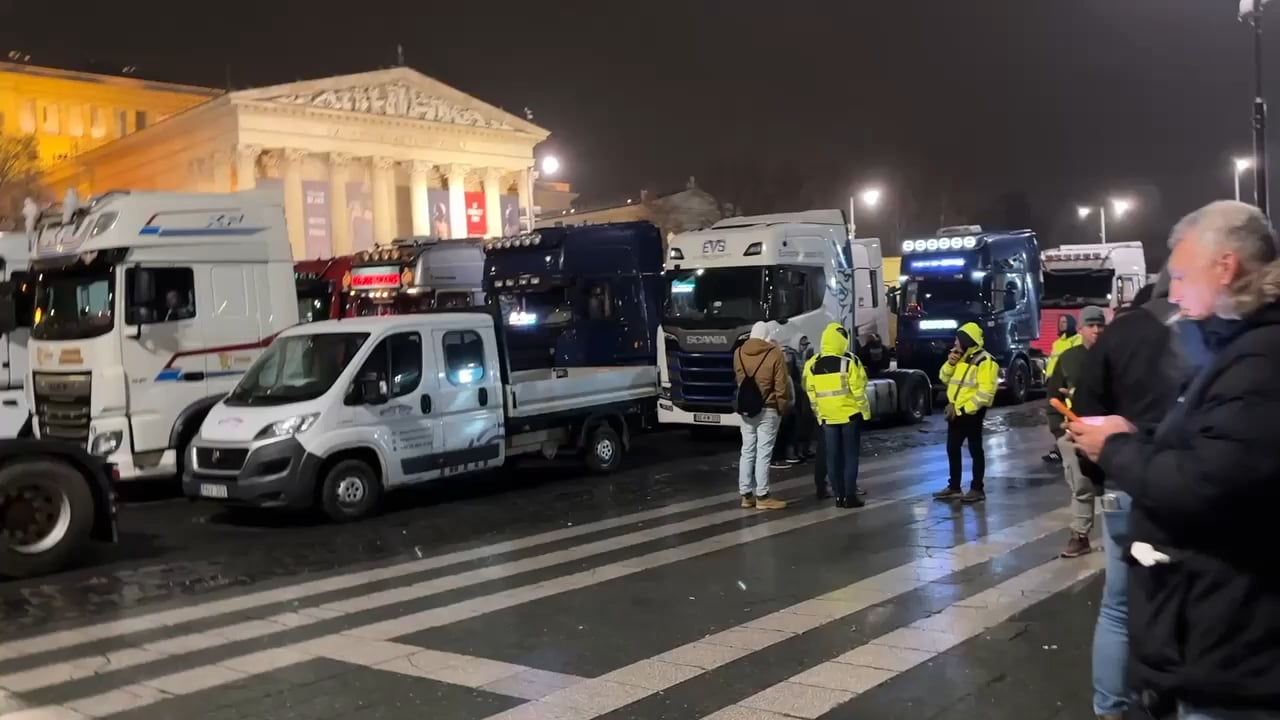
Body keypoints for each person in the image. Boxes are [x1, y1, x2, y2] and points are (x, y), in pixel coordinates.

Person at [1069, 201, 1280, 720]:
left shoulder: (1259, 357)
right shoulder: (1240, 347)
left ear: (1225, 267)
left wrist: (1114, 449)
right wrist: (1135, 436)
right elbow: (1214, 449)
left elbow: (1208, 481)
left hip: (1236, 649)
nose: (1175, 294)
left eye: (1182, 277)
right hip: (1221, 633)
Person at [1046, 306, 1106, 558]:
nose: (1096, 330)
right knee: (1081, 486)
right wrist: (1058, 432)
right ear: (1080, 328)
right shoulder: (1068, 358)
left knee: (1113, 488)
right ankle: (1080, 536)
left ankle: (1119, 536)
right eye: (1091, 325)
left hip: (1107, 434)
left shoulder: (1115, 355)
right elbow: (1053, 396)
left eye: (1100, 325)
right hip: (1075, 434)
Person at [803, 323, 870, 508]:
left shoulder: (813, 364)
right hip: (849, 416)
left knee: (832, 457)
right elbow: (860, 388)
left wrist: (819, 414)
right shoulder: (849, 361)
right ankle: (850, 496)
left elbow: (810, 392)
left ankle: (838, 497)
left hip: (827, 418)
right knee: (850, 457)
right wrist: (865, 412)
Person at [933, 322, 998, 503]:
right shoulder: (962, 358)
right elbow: (944, 378)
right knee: (952, 448)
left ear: (966, 340)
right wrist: (950, 362)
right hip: (957, 412)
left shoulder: (985, 361)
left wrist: (965, 409)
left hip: (971, 413)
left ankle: (977, 488)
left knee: (975, 450)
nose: (955, 342)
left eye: (958, 339)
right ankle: (954, 487)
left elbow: (985, 392)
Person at [733, 321, 790, 510]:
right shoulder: (775, 354)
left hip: (746, 409)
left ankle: (746, 495)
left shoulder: (738, 353)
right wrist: (782, 408)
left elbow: (739, 379)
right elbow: (781, 386)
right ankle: (763, 496)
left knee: (747, 450)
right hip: (768, 408)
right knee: (764, 453)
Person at [1043, 313, 1083, 463]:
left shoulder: (1077, 340)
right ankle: (1063, 447)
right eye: (1060, 322)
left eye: (1065, 322)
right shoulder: (1057, 343)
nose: (1061, 324)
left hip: (1067, 383)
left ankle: (1070, 449)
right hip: (1054, 383)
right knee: (1055, 416)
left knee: (1070, 417)